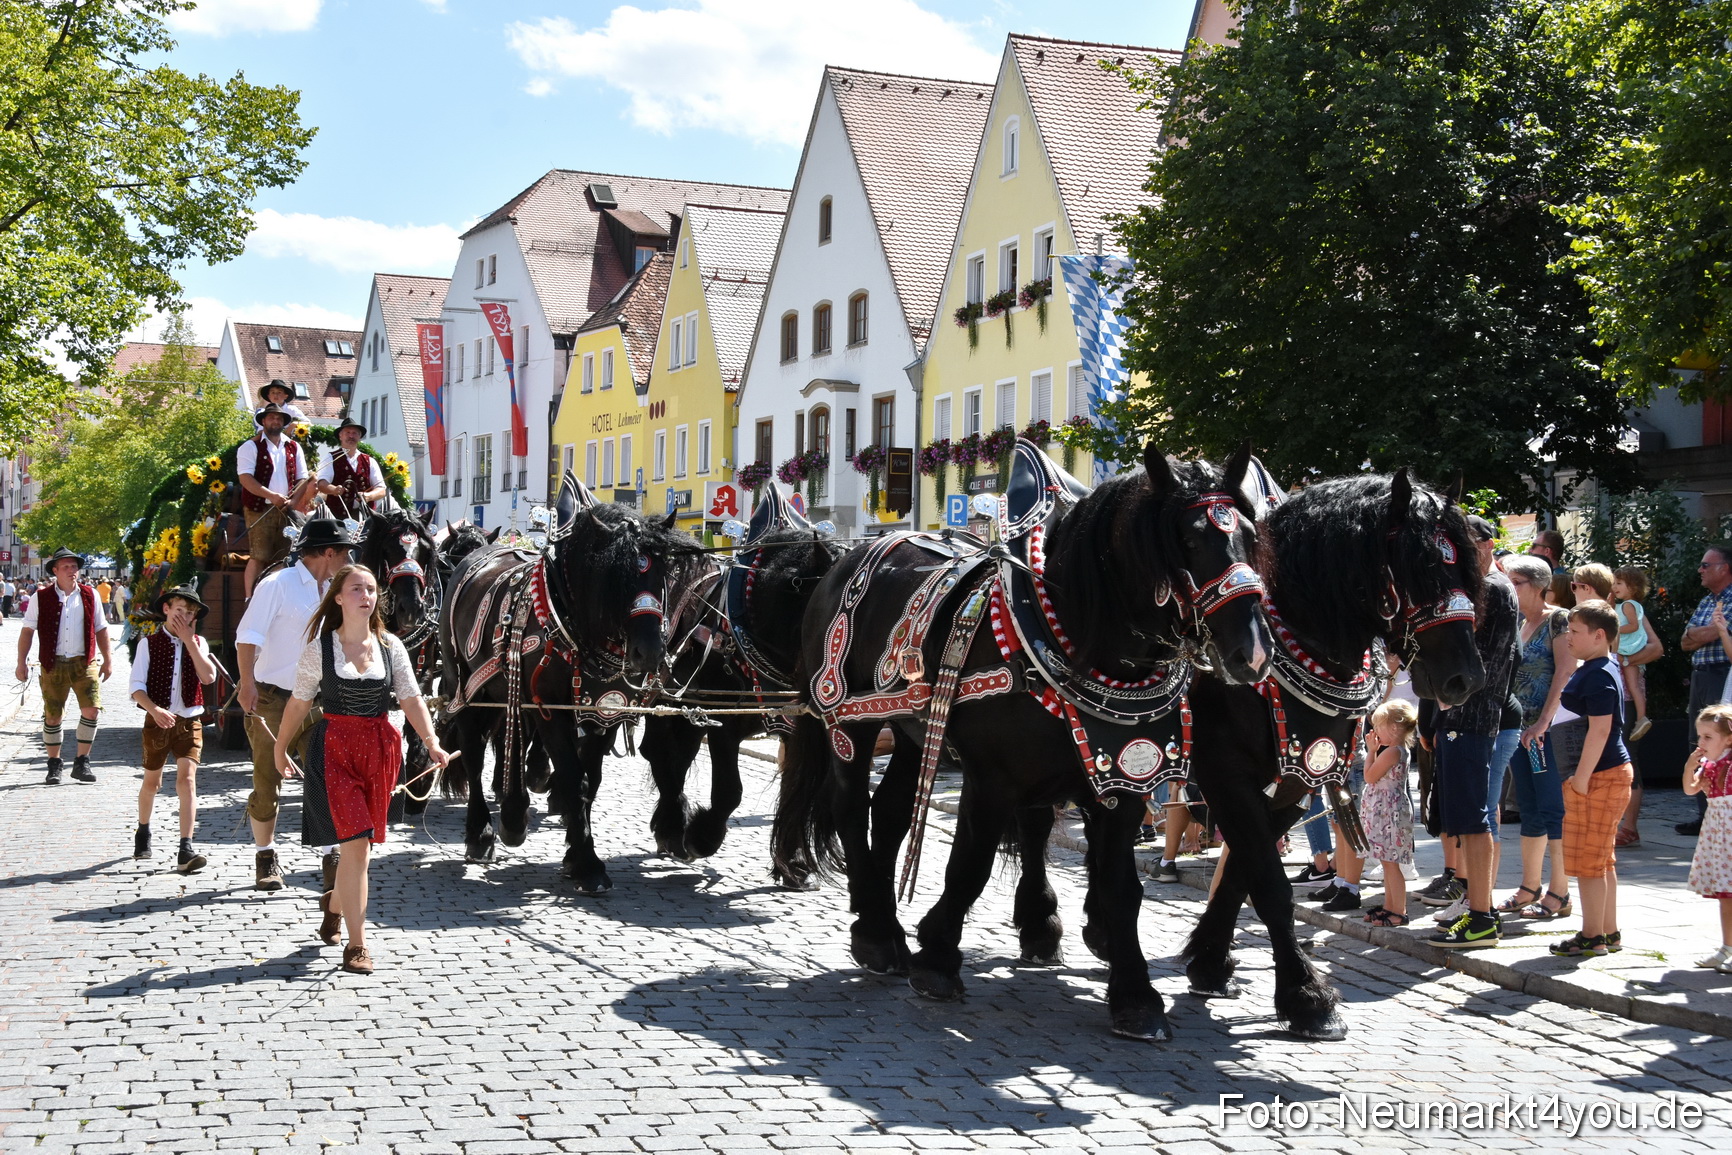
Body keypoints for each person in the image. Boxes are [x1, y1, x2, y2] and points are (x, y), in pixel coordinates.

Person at [275, 564, 448, 973]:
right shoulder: (320, 648)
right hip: (334, 749)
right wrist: (280, 748)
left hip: (378, 751)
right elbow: (299, 703)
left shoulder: (391, 647)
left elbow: (410, 698)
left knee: (361, 852)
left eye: (371, 589)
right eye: (356, 589)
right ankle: (357, 945)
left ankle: (334, 902)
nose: (366, 596)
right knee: (354, 845)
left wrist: (431, 742)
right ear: (338, 597)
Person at [235, 518, 354, 891]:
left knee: (327, 778)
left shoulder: (338, 590)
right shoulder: (277, 585)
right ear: (329, 553)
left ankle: (333, 858)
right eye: (346, 551)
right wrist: (247, 682)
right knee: (267, 782)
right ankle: (266, 856)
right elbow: (247, 636)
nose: (350, 558)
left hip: (319, 700)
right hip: (274, 698)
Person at [1429, 515, 1520, 949]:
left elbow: (1480, 661)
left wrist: (1447, 699)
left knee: (1475, 820)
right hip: (1457, 719)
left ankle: (1483, 917)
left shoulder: (1496, 590)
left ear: (1486, 544)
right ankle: (1475, 908)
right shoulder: (1476, 589)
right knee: (1462, 821)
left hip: (1474, 719)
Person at [1549, 600, 1633, 958]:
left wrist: (1581, 779)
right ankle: (1607, 931)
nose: (1568, 637)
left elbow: (1601, 730)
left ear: (1599, 636)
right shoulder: (1601, 666)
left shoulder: (1598, 673)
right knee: (1602, 859)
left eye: (1575, 631)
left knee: (1587, 862)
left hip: (1598, 776)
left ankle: (1592, 936)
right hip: (1602, 774)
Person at [1500, 554, 1573, 920]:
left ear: (1539, 585)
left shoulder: (1557, 619)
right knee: (1527, 806)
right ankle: (1530, 886)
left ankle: (1560, 890)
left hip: (1544, 731)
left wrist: (1544, 721)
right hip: (1518, 730)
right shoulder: (1515, 622)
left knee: (1549, 806)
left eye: (1517, 582)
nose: (1510, 588)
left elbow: (1565, 670)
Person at [129, 585, 218, 871]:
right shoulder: (148, 644)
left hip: (189, 720)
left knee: (187, 779)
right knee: (152, 783)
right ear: (166, 609)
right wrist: (154, 710)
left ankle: (186, 847)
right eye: (179, 610)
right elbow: (136, 688)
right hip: (157, 721)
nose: (184, 616)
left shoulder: (199, 643)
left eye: (190, 613)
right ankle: (143, 831)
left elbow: (208, 678)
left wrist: (189, 641)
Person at [14, 548, 112, 784]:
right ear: (55, 571)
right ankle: (54, 764)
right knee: (53, 715)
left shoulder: (90, 595)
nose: (72, 571)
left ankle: (81, 762)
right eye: (66, 567)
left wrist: (108, 660)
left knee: (92, 710)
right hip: (52, 662)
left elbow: (101, 628)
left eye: (74, 566)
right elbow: (27, 630)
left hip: (84, 661)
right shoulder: (41, 597)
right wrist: (21, 662)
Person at [1679, 543, 1732, 837]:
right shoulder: (1707, 601)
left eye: (1705, 565)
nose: (1700, 570)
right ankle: (1703, 814)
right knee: (1697, 742)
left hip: (1722, 675)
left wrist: (1704, 633)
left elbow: (1719, 633)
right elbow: (1685, 641)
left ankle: (1720, 808)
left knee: (1719, 741)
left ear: (1724, 569)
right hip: (1700, 676)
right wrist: (1706, 632)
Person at [237, 402, 316, 597]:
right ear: (263, 421)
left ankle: (277, 597)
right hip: (259, 508)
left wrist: (294, 501)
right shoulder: (250, 446)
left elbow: (302, 479)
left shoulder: (293, 447)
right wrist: (271, 496)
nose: (276, 421)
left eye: (279, 418)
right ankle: (250, 597)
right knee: (259, 555)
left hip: (287, 509)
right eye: (271, 417)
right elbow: (245, 478)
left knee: (284, 556)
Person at [1360, 699, 1418, 927]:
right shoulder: (1397, 750)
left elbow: (1369, 776)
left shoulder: (1392, 751)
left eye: (1379, 726)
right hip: (1387, 811)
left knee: (1392, 863)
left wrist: (1371, 752)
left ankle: (1399, 910)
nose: (1374, 731)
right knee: (1387, 862)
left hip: (1389, 814)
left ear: (1393, 728)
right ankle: (1390, 906)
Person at [1683, 704, 1732, 972]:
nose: (1701, 742)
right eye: (1700, 736)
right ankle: (1727, 946)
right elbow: (1690, 789)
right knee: (1726, 894)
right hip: (1718, 834)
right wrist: (1690, 767)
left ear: (1729, 738)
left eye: (1708, 737)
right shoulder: (1710, 766)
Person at [315, 416, 388, 522]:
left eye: (355, 433)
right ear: (340, 436)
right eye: (347, 432)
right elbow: (321, 484)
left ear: (359, 437)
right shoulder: (330, 458)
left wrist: (368, 496)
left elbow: (381, 490)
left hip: (366, 517)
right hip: (337, 517)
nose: (351, 436)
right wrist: (333, 489)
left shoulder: (369, 461)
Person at [1611, 567, 1653, 740]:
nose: (1615, 587)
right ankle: (1640, 717)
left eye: (1619, 583)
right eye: (1614, 583)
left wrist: (1614, 629)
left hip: (1629, 650)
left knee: (1633, 685)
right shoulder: (1626, 605)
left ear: (1633, 587)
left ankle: (1641, 718)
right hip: (1628, 649)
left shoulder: (1628, 605)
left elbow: (1634, 626)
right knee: (1632, 685)